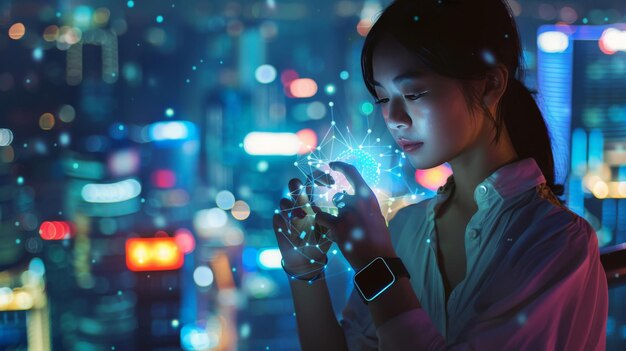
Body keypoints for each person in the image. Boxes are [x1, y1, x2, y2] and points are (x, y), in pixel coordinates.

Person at [272, 0, 608, 349]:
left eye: (414, 93)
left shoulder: (555, 241)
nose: (394, 117)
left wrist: (376, 263)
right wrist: (305, 270)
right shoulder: (405, 228)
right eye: (383, 99)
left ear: (490, 85)